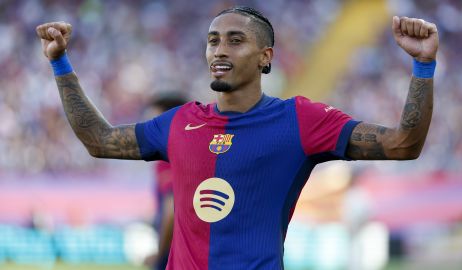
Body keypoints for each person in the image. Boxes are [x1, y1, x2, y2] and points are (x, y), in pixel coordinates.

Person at [36, 6, 438, 270]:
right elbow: (99, 140)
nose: (219, 50)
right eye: (212, 40)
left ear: (266, 56)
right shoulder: (178, 123)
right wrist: (60, 62)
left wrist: (422, 66)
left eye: (235, 39)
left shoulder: (300, 119)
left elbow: (404, 144)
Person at [143, 93, 188, 270]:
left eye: (153, 122)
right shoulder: (192, 151)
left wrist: (159, 254)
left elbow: (171, 210)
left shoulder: (169, 157)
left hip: (173, 253)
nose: (147, 129)